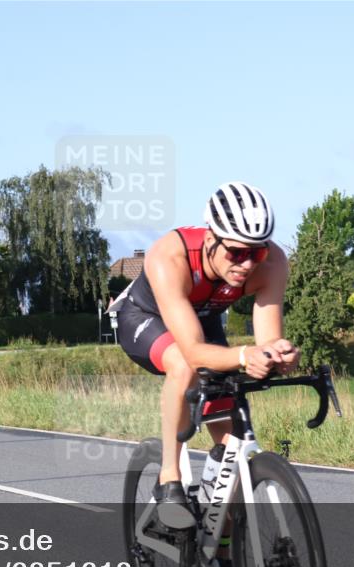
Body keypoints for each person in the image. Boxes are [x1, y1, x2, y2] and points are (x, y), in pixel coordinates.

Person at [112, 182, 300, 525]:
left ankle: (219, 545)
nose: (247, 264)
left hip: (202, 319)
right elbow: (195, 353)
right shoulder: (171, 256)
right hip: (144, 317)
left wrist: (280, 355)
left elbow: (268, 339)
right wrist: (244, 356)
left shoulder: (272, 262)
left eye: (256, 253)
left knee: (232, 452)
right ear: (211, 239)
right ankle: (169, 479)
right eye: (236, 253)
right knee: (184, 365)